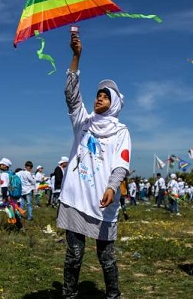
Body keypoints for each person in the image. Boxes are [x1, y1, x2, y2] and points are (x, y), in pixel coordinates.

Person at [57, 33, 131, 299]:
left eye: (105, 96)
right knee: (74, 256)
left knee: (106, 257)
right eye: (98, 95)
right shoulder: (83, 123)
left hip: (103, 202)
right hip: (76, 200)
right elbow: (71, 95)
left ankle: (114, 296)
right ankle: (69, 295)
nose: (99, 98)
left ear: (114, 104)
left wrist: (112, 188)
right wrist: (76, 56)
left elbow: (121, 166)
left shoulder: (121, 132)